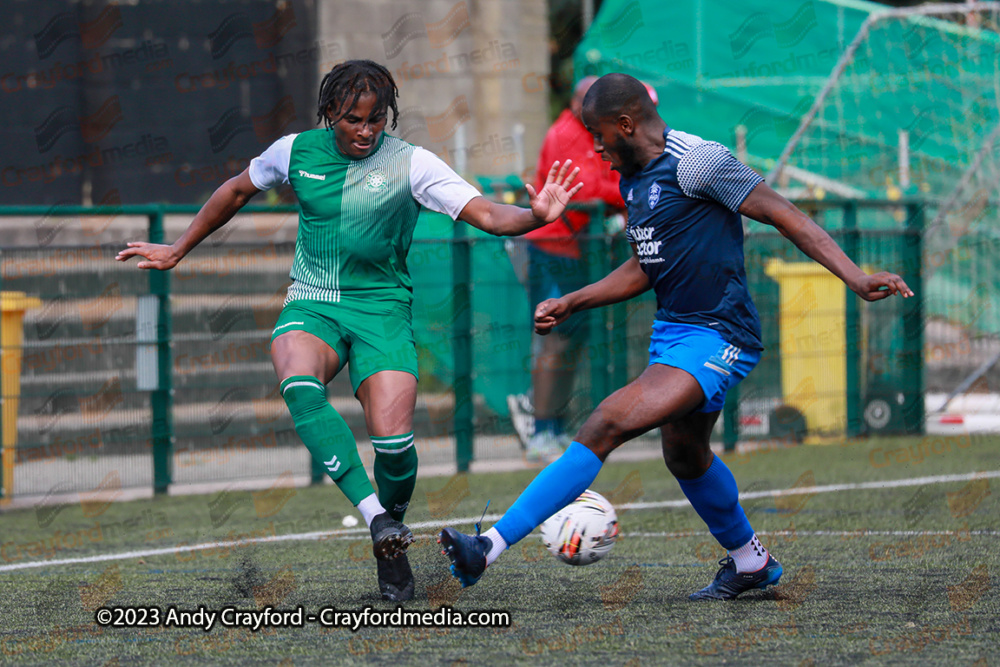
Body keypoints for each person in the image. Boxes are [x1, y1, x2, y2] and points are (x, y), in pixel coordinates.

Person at [117, 59, 583, 602]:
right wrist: (178, 248)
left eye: (375, 119)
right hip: (313, 301)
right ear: (330, 113)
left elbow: (488, 215)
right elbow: (236, 190)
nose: (365, 130)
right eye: (353, 119)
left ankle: (392, 541)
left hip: (382, 308)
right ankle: (376, 519)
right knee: (296, 376)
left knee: (394, 446)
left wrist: (536, 216)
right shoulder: (294, 151)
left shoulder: (412, 164)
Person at [439, 73, 913, 600]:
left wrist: (856, 276)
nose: (594, 148)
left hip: (718, 332)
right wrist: (575, 300)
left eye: (598, 135)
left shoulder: (699, 161)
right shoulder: (633, 178)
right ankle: (750, 563)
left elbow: (786, 215)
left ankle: (488, 547)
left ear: (625, 124)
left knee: (605, 421)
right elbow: (646, 266)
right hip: (674, 333)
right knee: (685, 453)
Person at [506, 75, 628, 464]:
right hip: (552, 248)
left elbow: (614, 179)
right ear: (577, 101)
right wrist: (620, 199)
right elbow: (587, 188)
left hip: (582, 252)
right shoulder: (565, 134)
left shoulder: (595, 133)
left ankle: (554, 425)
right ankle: (540, 429)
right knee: (552, 338)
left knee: (572, 341)